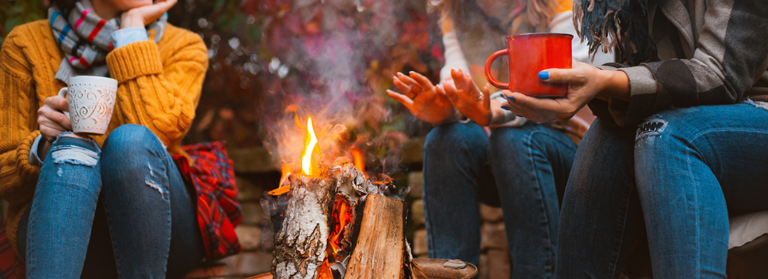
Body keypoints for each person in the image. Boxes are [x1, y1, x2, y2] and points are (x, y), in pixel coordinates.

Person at [493, 0, 768, 277]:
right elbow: (645, 77)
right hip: (683, 118)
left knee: (666, 136)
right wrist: (590, 84)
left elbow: (721, 74)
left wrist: (604, 82)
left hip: (755, 112)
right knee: (606, 136)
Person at [0, 0, 240, 278]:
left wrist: (131, 36)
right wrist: (42, 146)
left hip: (159, 226)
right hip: (65, 225)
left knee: (130, 142)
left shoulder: (184, 45)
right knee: (71, 149)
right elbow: (5, 180)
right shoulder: (25, 43)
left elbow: (158, 131)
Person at [387, 0, 609, 277]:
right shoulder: (456, 11)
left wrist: (492, 111)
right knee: (446, 139)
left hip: (572, 159)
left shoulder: (560, 4)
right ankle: (449, 275)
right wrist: (445, 109)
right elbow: (458, 86)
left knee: (514, 141)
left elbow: (569, 83)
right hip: (504, 160)